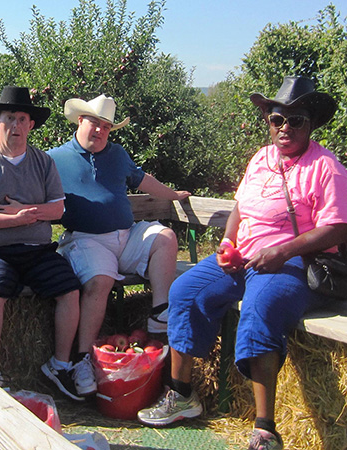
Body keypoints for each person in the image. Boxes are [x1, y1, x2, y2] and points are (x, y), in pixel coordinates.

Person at [136, 77, 347, 450]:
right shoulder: (260, 159)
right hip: (243, 258)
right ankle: (183, 395)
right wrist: (229, 243)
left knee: (259, 306)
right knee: (184, 291)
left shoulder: (326, 167)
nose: (284, 128)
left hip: (292, 263)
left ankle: (265, 428)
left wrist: (282, 252)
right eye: (277, 119)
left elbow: (336, 228)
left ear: (310, 123)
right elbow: (240, 209)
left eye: (295, 120)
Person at [0, 86, 93, 400]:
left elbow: (57, 209)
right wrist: (15, 220)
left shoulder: (43, 163)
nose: (15, 126)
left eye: (21, 119)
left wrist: (25, 214)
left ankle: (58, 365)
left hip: (35, 251)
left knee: (69, 287)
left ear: (30, 125)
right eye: (9, 118)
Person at [47, 94, 190, 359]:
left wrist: (173, 195)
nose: (100, 130)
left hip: (126, 237)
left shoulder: (118, 154)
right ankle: (83, 359)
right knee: (100, 281)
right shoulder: (53, 159)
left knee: (165, 237)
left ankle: (160, 314)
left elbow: (142, 179)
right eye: (95, 123)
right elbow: (28, 183)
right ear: (80, 120)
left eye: (107, 126)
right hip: (85, 240)